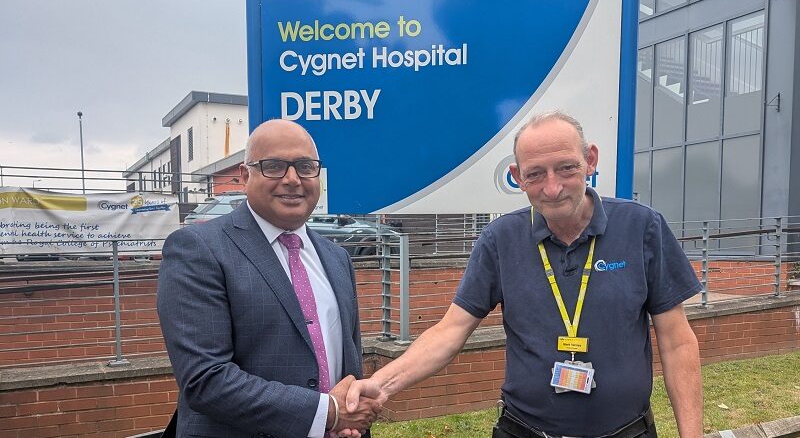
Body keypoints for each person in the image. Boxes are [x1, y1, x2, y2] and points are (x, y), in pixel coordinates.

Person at [345, 111, 703, 437]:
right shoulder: (501, 239)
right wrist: (382, 384)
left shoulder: (642, 227)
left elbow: (677, 341)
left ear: (590, 160)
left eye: (566, 168)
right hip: (525, 431)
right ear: (517, 177)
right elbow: (451, 330)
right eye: (535, 174)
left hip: (626, 431)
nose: (552, 187)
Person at [158, 119, 379, 438]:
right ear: (246, 176)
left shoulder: (337, 258)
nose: (292, 179)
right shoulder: (199, 249)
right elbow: (206, 380)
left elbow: (346, 369)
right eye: (274, 166)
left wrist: (347, 418)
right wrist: (327, 414)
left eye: (305, 166)